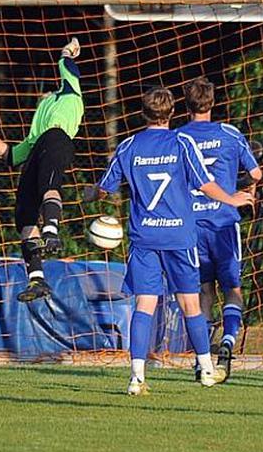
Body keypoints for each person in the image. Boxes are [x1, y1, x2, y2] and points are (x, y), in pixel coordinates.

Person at [84, 87, 253, 395]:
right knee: (191, 303)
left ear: (142, 113)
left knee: (144, 304)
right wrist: (231, 198)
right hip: (178, 236)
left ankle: (137, 378)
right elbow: (205, 183)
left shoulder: (129, 146)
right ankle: (206, 369)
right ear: (172, 113)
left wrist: (91, 193)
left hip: (144, 236)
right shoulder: (181, 142)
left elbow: (105, 188)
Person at [0, 38, 83, 302]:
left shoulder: (70, 94)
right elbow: (10, 155)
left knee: (50, 184)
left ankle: (51, 231)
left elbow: (66, 65)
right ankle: (37, 279)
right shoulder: (36, 127)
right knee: (24, 216)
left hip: (57, 138)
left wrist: (67, 50)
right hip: (39, 147)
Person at [176, 77, 262, 380]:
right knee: (233, 289)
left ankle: (203, 358)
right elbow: (256, 172)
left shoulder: (177, 138)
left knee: (203, 292)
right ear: (212, 102)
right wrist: (242, 189)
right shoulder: (230, 133)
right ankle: (227, 341)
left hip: (190, 226)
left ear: (186, 104)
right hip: (224, 222)